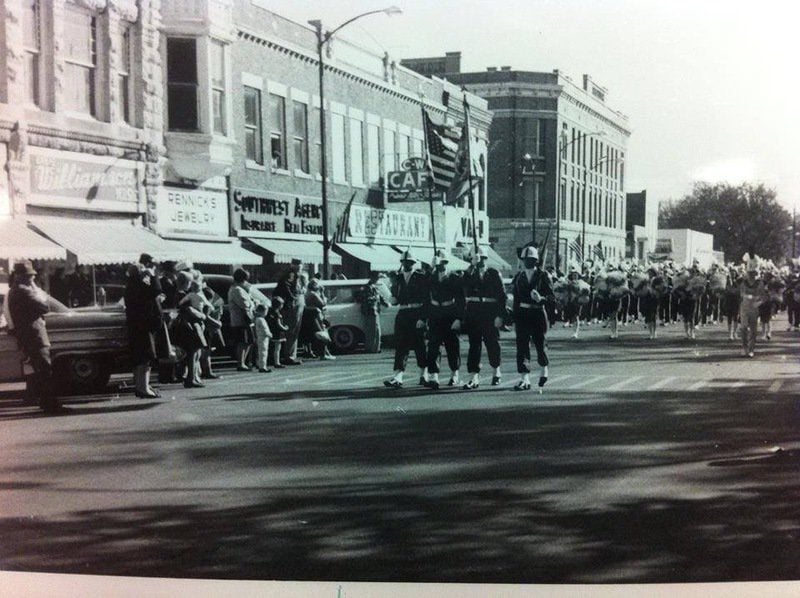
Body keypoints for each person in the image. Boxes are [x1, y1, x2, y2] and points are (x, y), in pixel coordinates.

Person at [8, 261, 61, 412]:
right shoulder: (25, 291)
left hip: (28, 335)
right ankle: (50, 404)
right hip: (35, 335)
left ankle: (46, 402)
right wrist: (36, 289)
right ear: (21, 277)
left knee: (40, 372)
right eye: (29, 276)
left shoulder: (14, 290)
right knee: (45, 371)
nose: (31, 279)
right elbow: (45, 307)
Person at [461, 247, 506, 390]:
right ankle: (474, 376)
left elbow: (502, 296)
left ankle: (496, 371)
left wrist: (500, 315)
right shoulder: (469, 274)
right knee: (474, 344)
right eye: (477, 259)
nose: (481, 261)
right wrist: (471, 269)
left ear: (486, 259)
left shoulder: (493, 273)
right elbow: (463, 288)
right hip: (474, 311)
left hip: (489, 311)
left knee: (492, 343)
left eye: (483, 259)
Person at [384, 250, 429, 388]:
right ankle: (398, 376)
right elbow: (395, 297)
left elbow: (427, 299)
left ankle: (424, 374)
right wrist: (392, 298)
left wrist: (423, 318)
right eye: (404, 262)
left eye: (409, 262)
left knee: (420, 345)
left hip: (416, 312)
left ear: (414, 263)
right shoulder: (397, 279)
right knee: (401, 346)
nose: (406, 265)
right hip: (403, 313)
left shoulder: (421, 277)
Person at [511, 246, 553, 391]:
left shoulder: (543, 276)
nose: (527, 262)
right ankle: (524, 378)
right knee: (522, 346)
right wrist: (514, 317)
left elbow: (552, 298)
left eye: (530, 260)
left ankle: (544, 369)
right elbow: (516, 300)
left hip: (537, 314)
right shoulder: (519, 277)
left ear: (535, 261)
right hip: (523, 314)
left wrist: (541, 298)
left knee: (540, 344)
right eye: (525, 260)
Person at [124, 254, 165, 398]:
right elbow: (156, 290)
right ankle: (143, 388)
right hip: (143, 326)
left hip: (136, 326)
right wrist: (153, 276)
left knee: (140, 358)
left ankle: (142, 386)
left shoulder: (130, 286)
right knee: (145, 358)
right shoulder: (139, 286)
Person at [423, 249, 465, 390]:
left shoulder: (454, 278)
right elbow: (424, 286)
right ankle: (434, 375)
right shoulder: (432, 277)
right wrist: (430, 267)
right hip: (436, 314)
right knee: (434, 345)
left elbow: (460, 300)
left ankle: (455, 374)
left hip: (449, 313)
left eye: (443, 263)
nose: (441, 266)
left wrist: (459, 318)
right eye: (439, 263)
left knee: (452, 345)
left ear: (446, 263)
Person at [274, 259, 305, 366]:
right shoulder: (291, 274)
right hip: (293, 305)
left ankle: (291, 355)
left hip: (296, 304)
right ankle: (289, 356)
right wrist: (292, 298)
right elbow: (286, 285)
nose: (300, 267)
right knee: (292, 330)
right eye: (299, 265)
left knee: (294, 331)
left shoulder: (295, 275)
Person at [228, 268, 255, 372]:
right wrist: (252, 303)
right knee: (242, 342)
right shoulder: (237, 290)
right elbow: (245, 304)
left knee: (248, 341)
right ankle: (241, 363)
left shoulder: (239, 289)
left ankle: (243, 362)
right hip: (240, 319)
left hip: (243, 319)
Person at [739, 259, 766, 358]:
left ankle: (751, 349)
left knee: (753, 330)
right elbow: (741, 293)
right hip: (744, 308)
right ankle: (744, 348)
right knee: (744, 328)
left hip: (754, 308)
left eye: (753, 273)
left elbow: (763, 297)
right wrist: (747, 296)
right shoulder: (743, 283)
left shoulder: (760, 283)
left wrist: (757, 302)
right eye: (749, 273)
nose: (751, 275)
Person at [358, 272, 390, 354]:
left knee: (376, 330)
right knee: (371, 331)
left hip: (375, 310)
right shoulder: (367, 288)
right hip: (370, 311)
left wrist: (385, 303)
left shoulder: (375, 287)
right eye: (376, 278)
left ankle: (376, 347)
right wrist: (377, 299)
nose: (377, 279)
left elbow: (380, 297)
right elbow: (368, 299)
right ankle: (370, 348)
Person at [267, 295, 289, 368]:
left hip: (272, 331)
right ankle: (277, 362)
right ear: (279, 305)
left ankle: (270, 360)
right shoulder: (277, 313)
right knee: (277, 348)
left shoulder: (269, 311)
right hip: (278, 332)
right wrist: (284, 328)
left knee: (271, 347)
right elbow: (278, 324)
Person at [253, 304, 272, 373]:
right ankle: (263, 366)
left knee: (260, 352)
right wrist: (269, 334)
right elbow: (264, 329)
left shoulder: (257, 319)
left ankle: (260, 364)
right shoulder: (261, 320)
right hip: (263, 337)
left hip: (260, 337)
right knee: (263, 352)